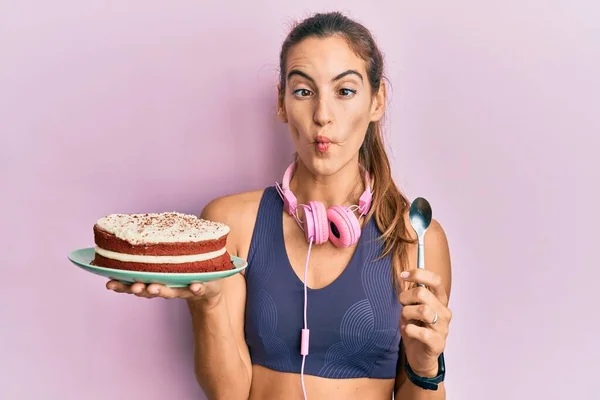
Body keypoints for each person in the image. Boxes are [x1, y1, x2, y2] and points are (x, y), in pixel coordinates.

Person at [106, 11, 452, 400]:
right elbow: (229, 394)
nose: (323, 116)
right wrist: (209, 303)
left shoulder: (414, 238)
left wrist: (425, 369)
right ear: (282, 102)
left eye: (345, 91)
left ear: (377, 102)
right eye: (304, 91)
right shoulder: (229, 224)